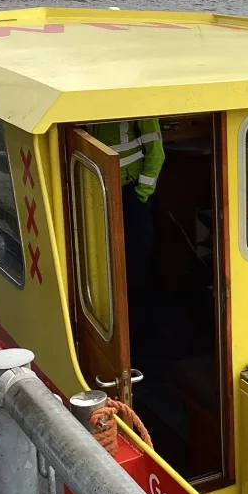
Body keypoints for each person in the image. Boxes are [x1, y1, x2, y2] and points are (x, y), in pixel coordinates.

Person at [87, 119, 165, 351]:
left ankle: (141, 334)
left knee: (137, 264)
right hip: (101, 188)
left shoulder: (138, 105)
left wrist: (141, 194)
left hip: (130, 193)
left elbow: (156, 153)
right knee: (107, 263)